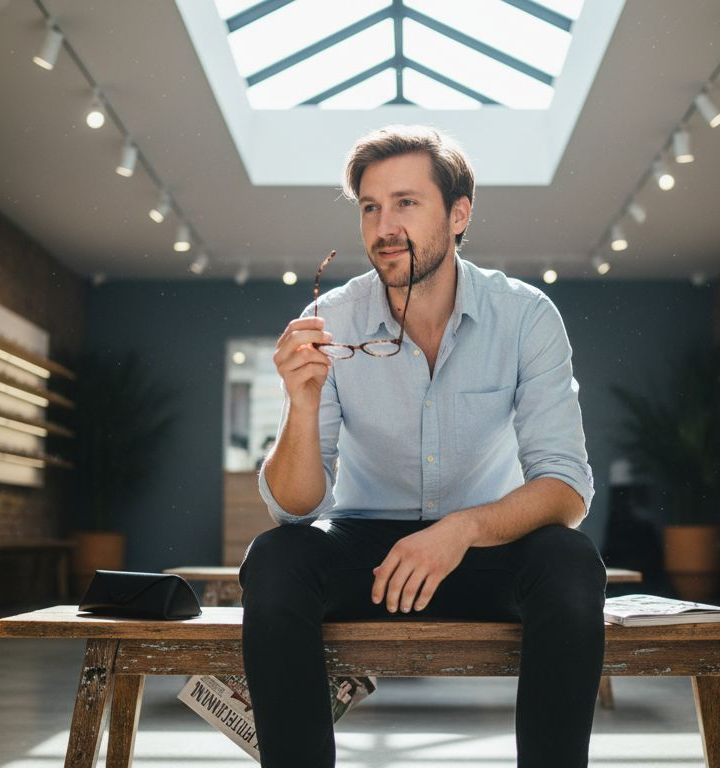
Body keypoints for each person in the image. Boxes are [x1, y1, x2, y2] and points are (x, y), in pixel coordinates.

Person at [242, 125, 604, 768]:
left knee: (571, 562)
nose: (385, 225)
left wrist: (461, 530)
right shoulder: (334, 321)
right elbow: (295, 507)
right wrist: (300, 407)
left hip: (487, 545)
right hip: (365, 549)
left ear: (458, 214)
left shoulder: (526, 317)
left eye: (406, 203)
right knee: (274, 560)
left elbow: (566, 487)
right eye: (371, 207)